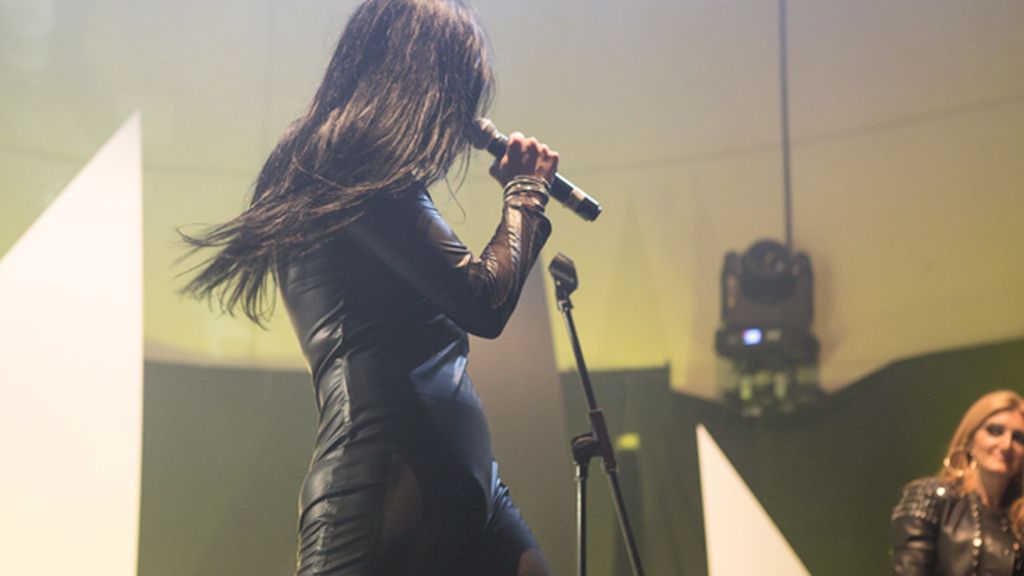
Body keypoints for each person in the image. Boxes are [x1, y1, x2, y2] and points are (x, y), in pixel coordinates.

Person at [180, 1, 558, 574]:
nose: (462, 112)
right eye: (458, 87)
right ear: (421, 73)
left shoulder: (368, 167)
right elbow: (482, 300)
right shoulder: (346, 156)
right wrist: (526, 192)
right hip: (386, 481)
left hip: (464, 486)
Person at [890, 390, 1024, 575]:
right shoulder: (930, 497)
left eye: (1019, 438)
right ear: (970, 439)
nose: (1006, 444)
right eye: (995, 431)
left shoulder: (1017, 521)